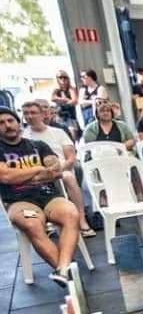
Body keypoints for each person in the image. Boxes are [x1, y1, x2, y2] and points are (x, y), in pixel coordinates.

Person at [0, 106, 80, 284]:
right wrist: (37, 168)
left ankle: (63, 269)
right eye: (1, 123)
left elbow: (55, 169)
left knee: (71, 214)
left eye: (10, 120)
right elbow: (5, 177)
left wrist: (21, 175)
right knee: (32, 224)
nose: (7, 125)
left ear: (17, 122)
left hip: (48, 195)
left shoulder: (38, 145)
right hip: (19, 201)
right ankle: (69, 274)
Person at [22, 100, 96, 237]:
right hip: (38, 174)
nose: (29, 116)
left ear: (42, 114)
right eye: (26, 113)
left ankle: (81, 219)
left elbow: (71, 158)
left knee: (69, 177)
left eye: (33, 112)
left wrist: (56, 169)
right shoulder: (23, 136)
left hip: (62, 169)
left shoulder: (58, 132)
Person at [50, 70, 80, 140]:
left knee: (72, 137)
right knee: (61, 138)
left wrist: (60, 101)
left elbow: (74, 101)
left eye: (65, 77)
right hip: (60, 117)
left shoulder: (71, 88)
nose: (63, 79)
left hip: (71, 117)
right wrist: (66, 100)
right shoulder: (56, 89)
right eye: (60, 77)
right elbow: (52, 98)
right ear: (57, 79)